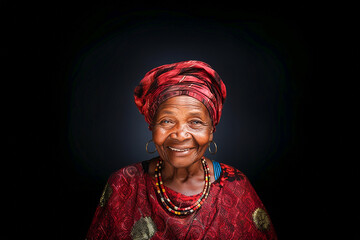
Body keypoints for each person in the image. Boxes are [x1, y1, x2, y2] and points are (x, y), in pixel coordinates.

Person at [86, 60, 277, 239]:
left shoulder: (236, 186)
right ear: (152, 127)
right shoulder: (124, 184)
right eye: (167, 121)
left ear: (211, 130)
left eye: (195, 122)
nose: (180, 135)